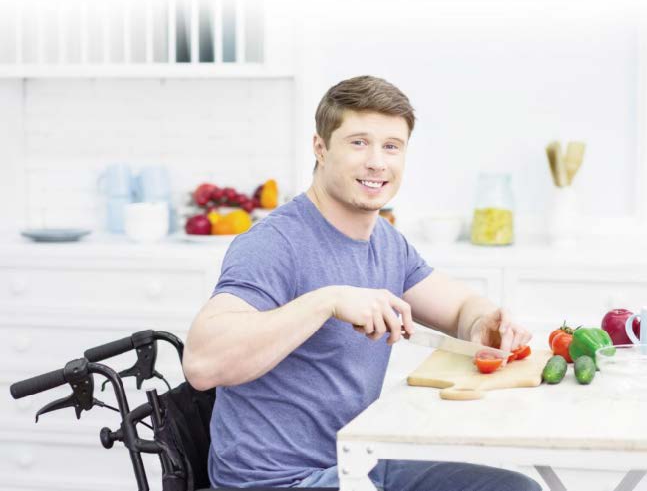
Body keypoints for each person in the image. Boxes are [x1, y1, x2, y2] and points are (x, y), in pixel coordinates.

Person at [183, 75, 541, 491]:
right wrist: (327, 301)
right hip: (276, 481)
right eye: (358, 142)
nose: (377, 162)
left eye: (391, 146)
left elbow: (461, 308)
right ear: (320, 147)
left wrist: (484, 322)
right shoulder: (273, 243)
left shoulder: (386, 241)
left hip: (358, 466)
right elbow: (202, 364)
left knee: (517, 489)